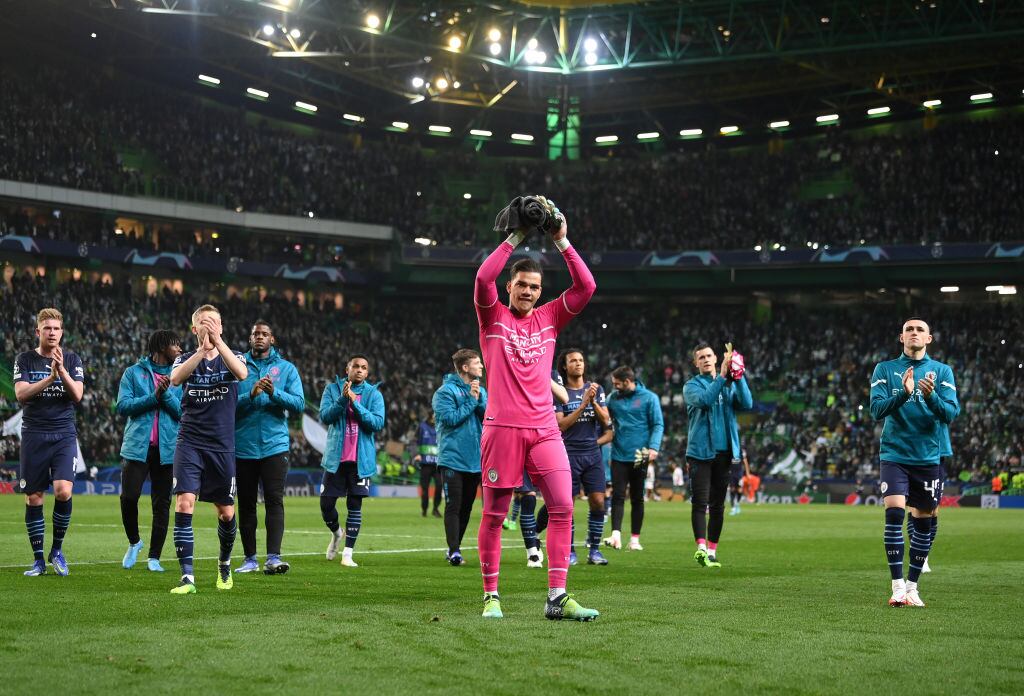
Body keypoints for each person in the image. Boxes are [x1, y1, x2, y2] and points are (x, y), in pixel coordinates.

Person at [474, 205, 599, 621]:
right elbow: (481, 278)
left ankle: (557, 596)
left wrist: (561, 240)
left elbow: (586, 286)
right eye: (521, 285)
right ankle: (491, 595)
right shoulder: (492, 314)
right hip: (503, 429)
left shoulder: (549, 318)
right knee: (494, 515)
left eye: (534, 286)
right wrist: (516, 236)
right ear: (509, 287)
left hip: (545, 430)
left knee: (563, 506)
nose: (528, 291)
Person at [870, 317, 959, 607]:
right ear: (901, 337)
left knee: (923, 521)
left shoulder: (942, 371)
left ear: (929, 338)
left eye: (920, 330)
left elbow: (950, 413)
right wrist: (904, 394)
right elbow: (875, 410)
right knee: (894, 514)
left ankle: (912, 586)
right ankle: (896, 586)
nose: (914, 333)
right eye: (909, 329)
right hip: (895, 453)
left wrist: (930, 397)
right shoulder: (885, 369)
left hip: (927, 456)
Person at [168, 304, 248, 594]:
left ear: (222, 327)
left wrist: (218, 343)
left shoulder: (233, 357)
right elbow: (175, 380)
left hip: (222, 446)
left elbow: (241, 373)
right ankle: (187, 577)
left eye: (215, 323)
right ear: (194, 329)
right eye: (204, 323)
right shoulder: (185, 359)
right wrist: (202, 351)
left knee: (226, 512)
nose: (210, 327)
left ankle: (224, 563)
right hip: (189, 441)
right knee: (184, 502)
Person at [14, 307, 85, 577]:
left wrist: (62, 372)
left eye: (56, 328)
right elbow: (21, 395)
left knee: (63, 491)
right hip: (33, 434)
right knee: (33, 497)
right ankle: (37, 561)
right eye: (47, 328)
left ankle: (56, 550)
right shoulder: (25, 359)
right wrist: (50, 378)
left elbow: (77, 395)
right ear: (38, 332)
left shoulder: (72, 358)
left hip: (64, 434)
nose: (52, 333)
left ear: (62, 332)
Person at [234, 320, 305, 575]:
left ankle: (274, 557)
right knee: (247, 504)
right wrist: (250, 395)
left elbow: (298, 404)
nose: (260, 337)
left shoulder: (287, 369)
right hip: (243, 446)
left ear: (272, 339)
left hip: (275, 446)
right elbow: (227, 405)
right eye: (256, 334)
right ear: (250, 338)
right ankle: (250, 559)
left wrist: (274, 393)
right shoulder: (237, 366)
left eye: (265, 333)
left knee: (275, 501)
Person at [115, 329, 183, 572]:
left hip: (167, 449)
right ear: (162, 346)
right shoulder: (133, 373)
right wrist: (155, 396)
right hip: (137, 448)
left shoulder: (180, 376)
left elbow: (183, 413)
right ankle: (134, 542)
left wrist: (164, 397)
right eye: (175, 345)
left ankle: (154, 556)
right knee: (129, 498)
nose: (180, 350)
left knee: (161, 504)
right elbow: (123, 406)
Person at [540, 348, 613, 566]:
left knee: (598, 501)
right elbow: (560, 424)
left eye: (581, 360)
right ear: (565, 366)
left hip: (592, 454)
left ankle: (595, 550)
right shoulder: (559, 392)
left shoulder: (595, 389)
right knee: (567, 505)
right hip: (567, 454)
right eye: (573, 361)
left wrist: (592, 402)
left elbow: (605, 420)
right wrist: (582, 405)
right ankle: (569, 551)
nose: (578, 364)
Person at [684, 342, 753, 568]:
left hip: (724, 453)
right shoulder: (691, 386)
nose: (705, 359)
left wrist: (739, 375)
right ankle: (701, 548)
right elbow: (705, 401)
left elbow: (747, 403)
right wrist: (723, 377)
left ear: (716, 358)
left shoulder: (729, 384)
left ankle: (712, 550)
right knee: (699, 502)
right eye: (700, 357)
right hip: (700, 453)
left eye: (709, 356)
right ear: (696, 363)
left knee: (717, 506)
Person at [319, 355, 385, 568]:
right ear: (347, 369)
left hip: (360, 461)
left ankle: (347, 554)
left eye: (363, 367)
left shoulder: (374, 394)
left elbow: (376, 423)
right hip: (335, 459)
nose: (359, 369)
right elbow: (325, 416)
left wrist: (355, 403)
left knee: (354, 506)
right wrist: (342, 399)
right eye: (355, 366)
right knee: (326, 504)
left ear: (367, 373)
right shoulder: (331, 389)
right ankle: (337, 533)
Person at [432, 349, 487, 566]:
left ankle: (454, 547)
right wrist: (472, 401)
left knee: (466, 507)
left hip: (475, 458)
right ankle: (454, 551)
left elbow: (489, 416)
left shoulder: (481, 391)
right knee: (453, 505)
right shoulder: (444, 392)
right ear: (465, 367)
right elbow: (450, 419)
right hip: (452, 458)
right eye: (477, 363)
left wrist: (479, 399)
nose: (481, 366)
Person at [603, 366, 664, 552]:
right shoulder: (612, 399)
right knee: (618, 495)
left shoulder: (649, 398)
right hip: (619, 454)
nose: (614, 387)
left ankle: (635, 539)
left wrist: (654, 447)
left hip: (641, 455)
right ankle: (615, 536)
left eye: (617, 384)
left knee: (637, 497)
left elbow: (658, 424)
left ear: (628, 382)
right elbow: (604, 418)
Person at [414, 412, 443, 518]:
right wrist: (416, 454)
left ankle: (435, 508)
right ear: (431, 416)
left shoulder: (441, 426)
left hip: (438, 464)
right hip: (425, 464)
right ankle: (424, 509)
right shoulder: (422, 426)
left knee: (439, 486)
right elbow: (414, 441)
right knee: (425, 489)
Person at [729, 449, 752, 515]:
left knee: (739, 490)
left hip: (739, 475)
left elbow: (745, 462)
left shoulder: (741, 451)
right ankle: (733, 508)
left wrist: (747, 473)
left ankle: (737, 504)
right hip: (732, 474)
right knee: (732, 490)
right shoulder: (730, 451)